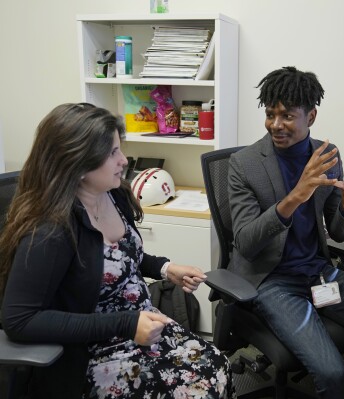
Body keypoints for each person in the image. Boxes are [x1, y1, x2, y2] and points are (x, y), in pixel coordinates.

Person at [0, 103, 235, 399]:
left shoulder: (113, 194)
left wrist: (165, 268)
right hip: (94, 349)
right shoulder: (51, 231)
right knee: (198, 388)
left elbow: (122, 258)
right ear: (79, 162)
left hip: (141, 325)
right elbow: (19, 320)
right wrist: (125, 323)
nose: (123, 160)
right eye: (112, 153)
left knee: (217, 365)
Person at [228, 66, 344, 398]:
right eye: (270, 115)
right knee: (334, 375)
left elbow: (336, 232)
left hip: (319, 273)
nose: (276, 124)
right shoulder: (244, 164)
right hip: (272, 281)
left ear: (312, 115)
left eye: (287, 116)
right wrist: (294, 197)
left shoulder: (327, 157)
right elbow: (246, 243)